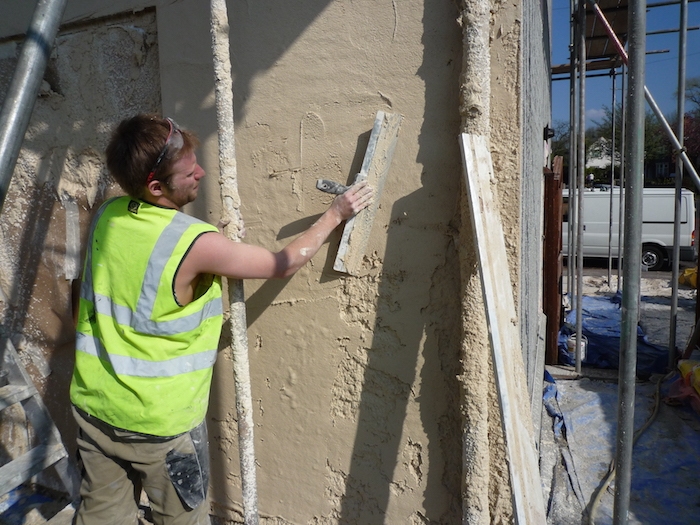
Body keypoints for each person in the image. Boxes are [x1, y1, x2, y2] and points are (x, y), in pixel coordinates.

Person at [69, 114, 373, 525]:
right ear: (156, 187)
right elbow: (282, 264)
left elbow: (144, 268)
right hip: (159, 426)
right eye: (189, 172)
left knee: (100, 518)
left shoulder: (109, 214)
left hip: (95, 407)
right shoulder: (196, 244)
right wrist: (336, 213)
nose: (201, 173)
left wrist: (210, 244)